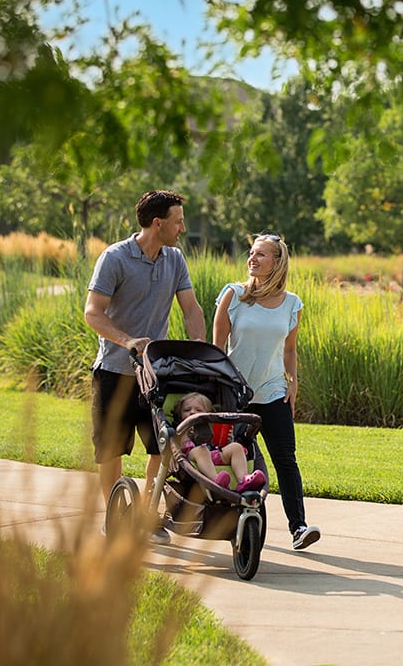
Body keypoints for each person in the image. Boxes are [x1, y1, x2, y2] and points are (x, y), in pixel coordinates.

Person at [84, 189, 206, 545]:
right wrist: (128, 341)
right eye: (178, 221)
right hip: (115, 370)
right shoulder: (115, 258)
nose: (183, 228)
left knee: (162, 447)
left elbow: (191, 308)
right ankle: (115, 517)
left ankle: (148, 515)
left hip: (156, 375)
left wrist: (198, 346)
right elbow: (93, 312)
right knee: (111, 448)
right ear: (158, 223)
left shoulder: (174, 259)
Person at [212, 233, 321, 551]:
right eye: (252, 253)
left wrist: (293, 381)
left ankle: (298, 527)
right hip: (237, 397)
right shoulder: (233, 296)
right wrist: (219, 391)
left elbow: (289, 349)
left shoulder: (292, 304)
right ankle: (242, 530)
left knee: (286, 460)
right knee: (243, 462)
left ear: (277, 262)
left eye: (261, 254)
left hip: (273, 394)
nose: (253, 258)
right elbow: (216, 349)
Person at [172, 391, 266, 492]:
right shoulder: (180, 429)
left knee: (236, 447)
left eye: (198, 410)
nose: (192, 412)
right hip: (191, 457)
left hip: (213, 454)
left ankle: (243, 479)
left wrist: (227, 441)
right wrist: (187, 430)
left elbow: (218, 445)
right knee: (202, 450)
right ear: (180, 413)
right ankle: (216, 480)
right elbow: (178, 444)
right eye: (186, 410)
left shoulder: (213, 427)